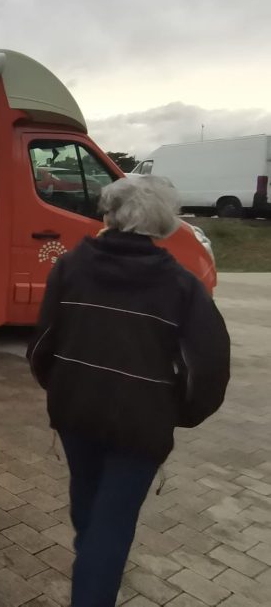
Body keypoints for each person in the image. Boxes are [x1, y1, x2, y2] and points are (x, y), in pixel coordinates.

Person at [27, 176, 230, 607]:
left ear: (108, 214)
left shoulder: (69, 267)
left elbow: (42, 345)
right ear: (164, 225)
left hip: (76, 411)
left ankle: (93, 569)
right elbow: (208, 368)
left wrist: (60, 386)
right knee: (112, 524)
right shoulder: (182, 286)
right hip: (141, 424)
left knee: (88, 507)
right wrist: (178, 412)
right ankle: (95, 581)